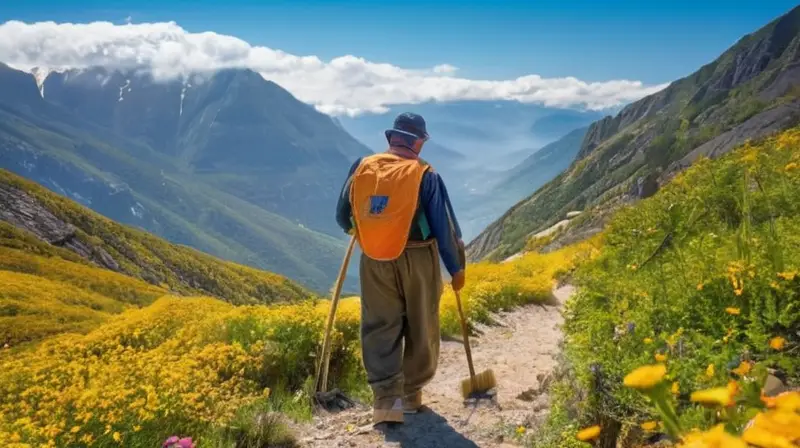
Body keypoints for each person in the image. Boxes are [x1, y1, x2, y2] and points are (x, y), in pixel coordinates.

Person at [335, 112, 466, 425]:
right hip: (418, 257)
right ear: (418, 141)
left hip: (374, 259)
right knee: (422, 323)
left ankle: (386, 403)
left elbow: (342, 217)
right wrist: (456, 269)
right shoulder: (425, 174)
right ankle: (410, 395)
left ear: (390, 138)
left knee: (380, 324)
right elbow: (444, 229)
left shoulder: (362, 167)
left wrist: (367, 232)